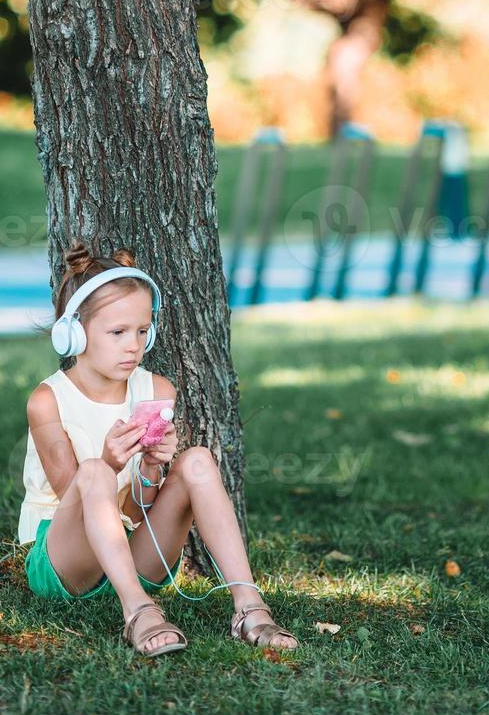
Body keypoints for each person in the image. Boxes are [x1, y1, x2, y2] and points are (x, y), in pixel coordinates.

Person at [18, 241, 299, 658]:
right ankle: (139, 613)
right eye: (117, 332)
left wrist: (150, 467)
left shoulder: (156, 390)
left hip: (132, 551)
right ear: (73, 333)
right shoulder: (48, 401)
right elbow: (72, 501)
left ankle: (250, 608)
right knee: (93, 472)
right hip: (65, 563)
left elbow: (133, 514)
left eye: (142, 331)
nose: (133, 345)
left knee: (198, 461)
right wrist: (111, 463)